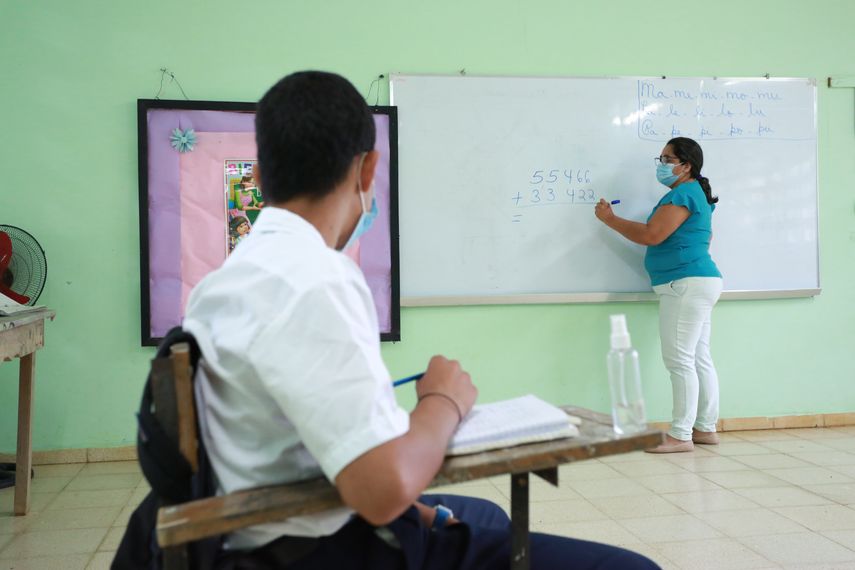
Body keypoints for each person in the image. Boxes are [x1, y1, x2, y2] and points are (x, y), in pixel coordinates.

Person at [183, 70, 660, 569]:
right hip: (320, 548)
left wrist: (430, 515)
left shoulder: (222, 282)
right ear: (368, 171)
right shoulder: (317, 278)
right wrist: (442, 402)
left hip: (255, 527)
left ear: (258, 178)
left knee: (486, 515)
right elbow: (381, 492)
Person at [594, 137, 723, 454]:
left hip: (685, 284)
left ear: (686, 165)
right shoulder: (693, 194)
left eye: (667, 160)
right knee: (697, 358)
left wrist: (610, 220)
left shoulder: (684, 194)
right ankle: (704, 428)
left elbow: (653, 235)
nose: (661, 165)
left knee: (680, 360)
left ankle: (681, 435)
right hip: (696, 282)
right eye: (661, 158)